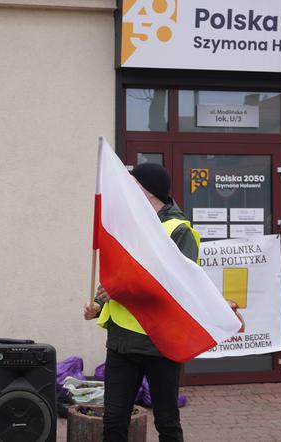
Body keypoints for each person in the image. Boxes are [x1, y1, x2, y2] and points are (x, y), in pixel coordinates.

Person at [83, 162, 199, 442]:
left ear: (148, 193)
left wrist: (121, 289)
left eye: (132, 187)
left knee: (167, 423)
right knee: (113, 422)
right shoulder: (128, 227)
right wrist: (100, 304)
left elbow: (178, 288)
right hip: (122, 342)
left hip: (159, 344)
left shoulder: (179, 231)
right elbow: (119, 279)